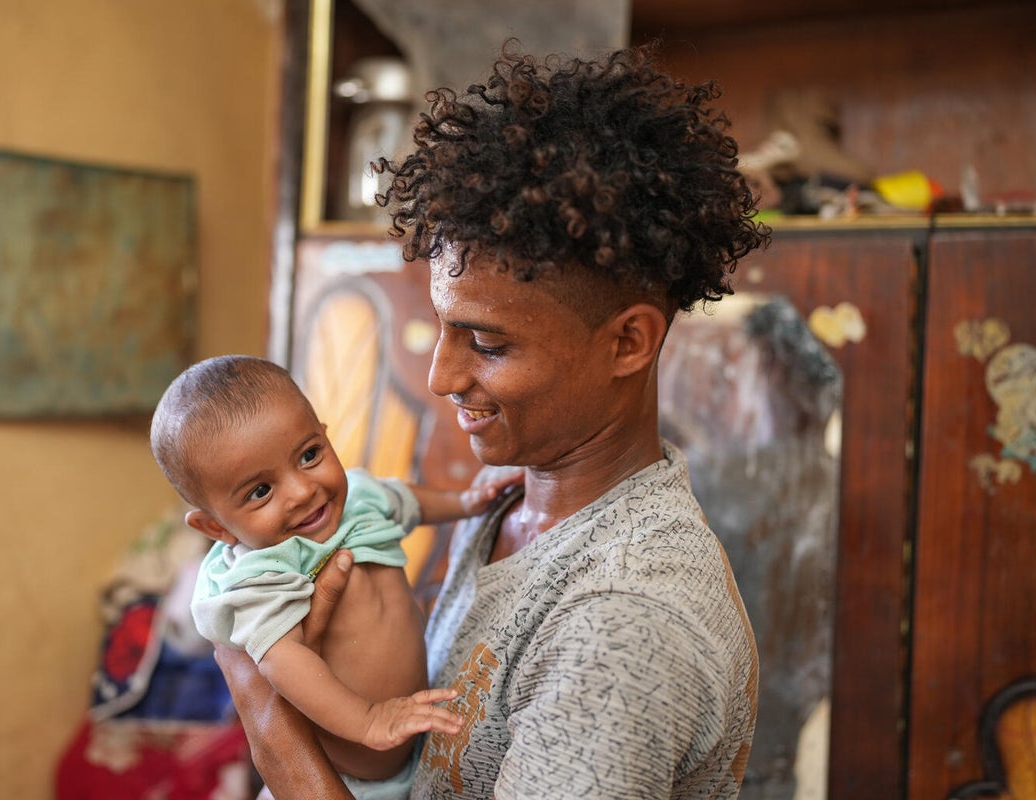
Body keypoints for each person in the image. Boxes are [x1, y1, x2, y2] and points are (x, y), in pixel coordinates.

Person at [217, 40, 770, 799]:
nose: (442, 376)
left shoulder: (623, 622)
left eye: (487, 342)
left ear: (629, 341)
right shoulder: (513, 497)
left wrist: (267, 715)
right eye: (444, 328)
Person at [150, 355, 520, 799]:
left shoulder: (359, 496)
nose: (304, 490)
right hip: (341, 778)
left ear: (325, 434)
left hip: (413, 755)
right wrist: (368, 720)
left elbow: (410, 502)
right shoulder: (261, 572)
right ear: (218, 528)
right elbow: (281, 660)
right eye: (261, 491)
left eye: (309, 455)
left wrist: (467, 502)